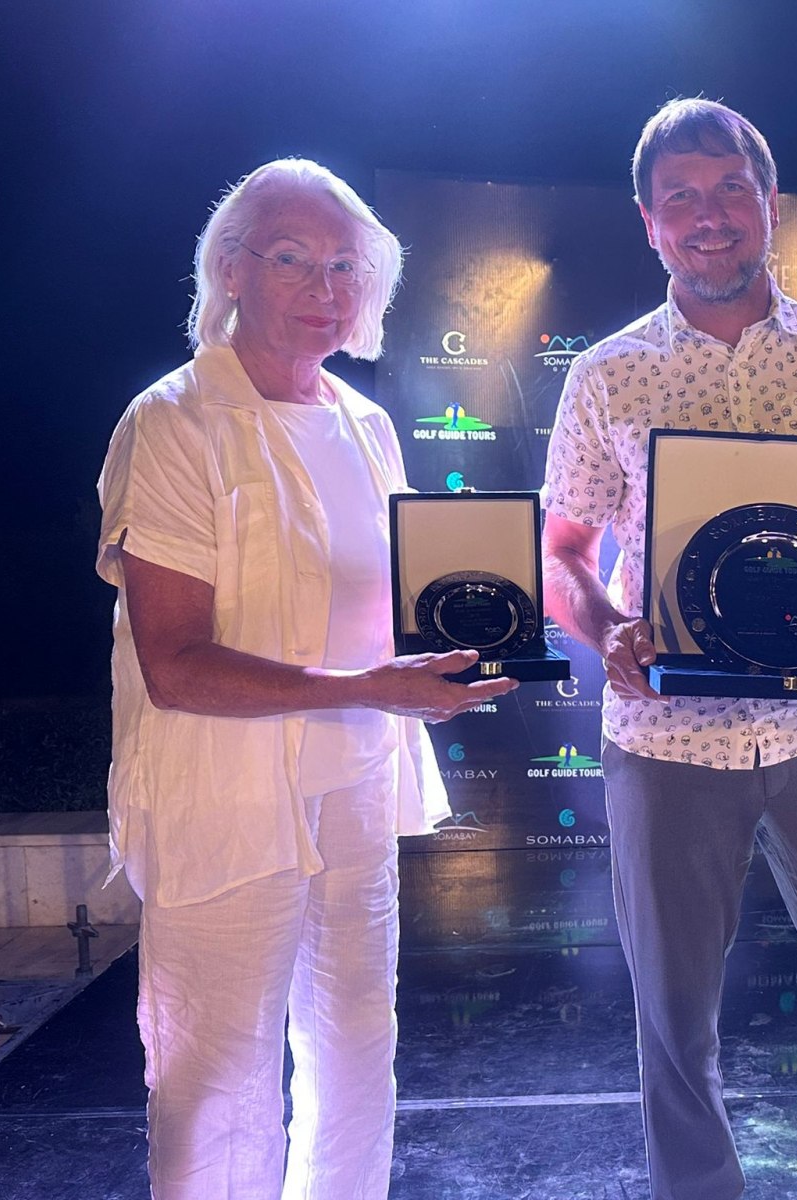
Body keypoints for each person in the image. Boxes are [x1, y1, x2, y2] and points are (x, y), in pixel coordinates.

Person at [96, 158, 517, 1200]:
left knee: (357, 1055)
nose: (324, 289)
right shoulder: (172, 423)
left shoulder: (366, 424)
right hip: (225, 804)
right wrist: (371, 686)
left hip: (355, 791)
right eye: (292, 260)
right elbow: (176, 667)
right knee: (217, 1082)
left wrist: (474, 639)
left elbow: (397, 610)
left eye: (343, 267)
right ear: (232, 269)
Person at [541, 99, 797, 1200]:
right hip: (667, 736)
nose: (708, 216)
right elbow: (564, 551)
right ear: (649, 223)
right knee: (674, 1019)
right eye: (681, 199)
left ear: (770, 203)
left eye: (729, 191)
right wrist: (606, 629)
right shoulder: (607, 373)